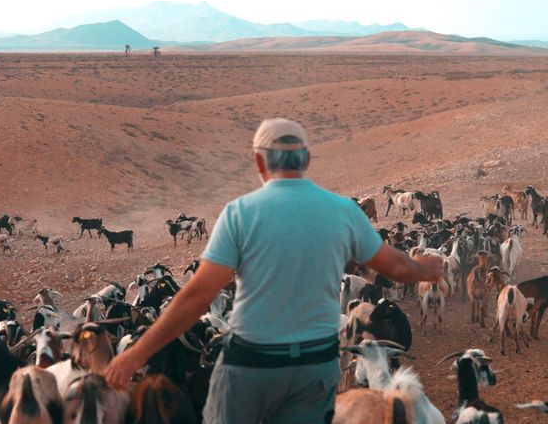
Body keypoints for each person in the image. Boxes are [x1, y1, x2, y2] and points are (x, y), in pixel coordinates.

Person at [104, 117, 443, 423]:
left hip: (251, 363)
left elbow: (198, 296)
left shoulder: (241, 214)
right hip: (314, 366)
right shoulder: (343, 212)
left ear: (258, 161)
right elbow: (396, 266)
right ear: (307, 160)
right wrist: (424, 268)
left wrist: (137, 353)